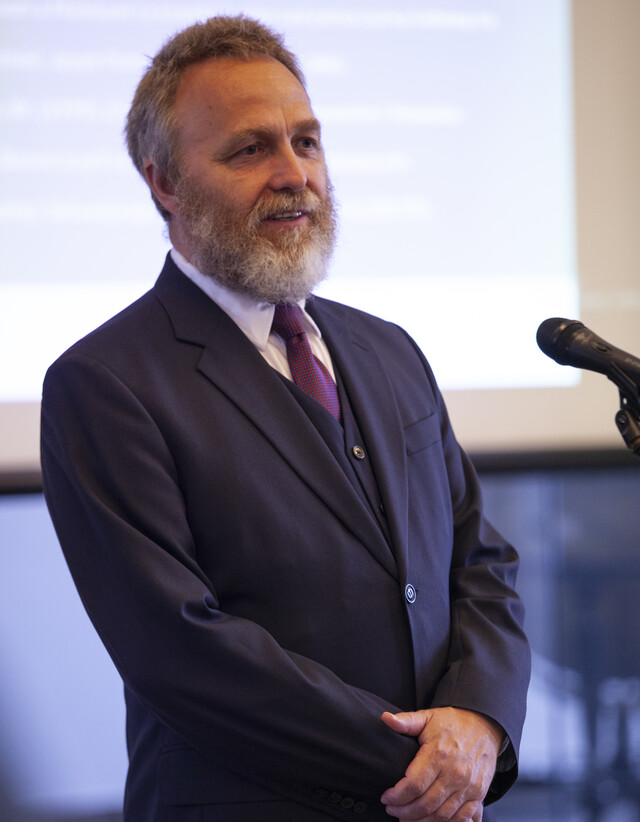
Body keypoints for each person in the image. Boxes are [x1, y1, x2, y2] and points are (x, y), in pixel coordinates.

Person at [40, 15, 530, 822]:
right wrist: (427, 765)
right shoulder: (103, 383)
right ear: (165, 184)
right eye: (249, 149)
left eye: (307, 141)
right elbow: (182, 651)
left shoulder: (389, 349)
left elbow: (479, 561)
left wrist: (480, 718)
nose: (294, 173)